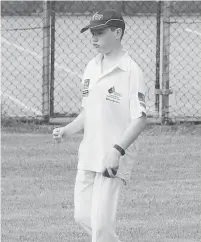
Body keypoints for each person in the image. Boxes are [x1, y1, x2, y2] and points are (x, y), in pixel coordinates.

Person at [53, 8, 147, 242]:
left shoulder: (131, 71)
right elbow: (88, 112)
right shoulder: (91, 67)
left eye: (100, 32)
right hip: (88, 154)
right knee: (83, 217)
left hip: (112, 157)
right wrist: (68, 130)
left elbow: (140, 118)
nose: (94, 38)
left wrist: (117, 151)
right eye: (92, 33)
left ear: (117, 32)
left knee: (101, 226)